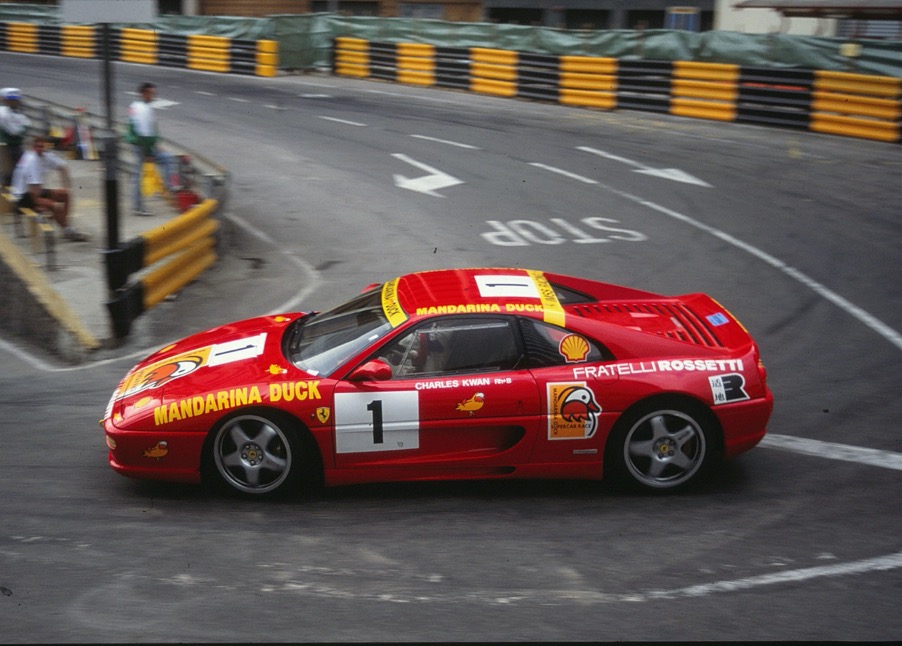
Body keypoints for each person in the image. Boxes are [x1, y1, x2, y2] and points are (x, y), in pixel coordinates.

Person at [11, 133, 88, 241]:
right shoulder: (31, 161)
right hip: (23, 195)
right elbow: (33, 193)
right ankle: (67, 229)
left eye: (42, 146)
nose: (40, 149)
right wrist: (43, 206)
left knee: (65, 194)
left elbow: (63, 167)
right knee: (53, 206)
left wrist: (66, 186)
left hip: (35, 190)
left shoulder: (46, 156)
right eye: (37, 146)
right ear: (33, 147)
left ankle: (65, 227)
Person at [126, 81, 175, 216]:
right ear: (144, 93)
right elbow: (144, 133)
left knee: (164, 160)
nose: (153, 96)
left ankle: (164, 188)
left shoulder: (136, 105)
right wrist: (148, 152)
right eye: (151, 93)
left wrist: (155, 145)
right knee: (140, 175)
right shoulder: (144, 109)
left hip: (140, 144)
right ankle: (139, 206)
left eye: (154, 93)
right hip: (142, 146)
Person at [0, 87, 31, 187]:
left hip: (16, 145)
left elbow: (26, 122)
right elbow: (14, 131)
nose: (17, 101)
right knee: (11, 171)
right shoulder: (3, 113)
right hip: (8, 146)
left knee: (21, 168)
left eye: (16, 99)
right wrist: (24, 127)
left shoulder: (15, 111)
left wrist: (23, 126)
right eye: (13, 99)